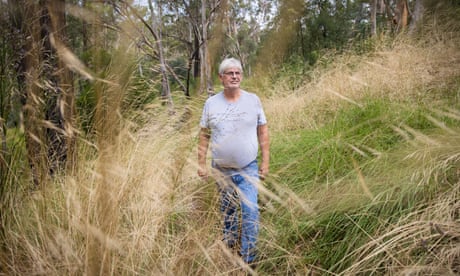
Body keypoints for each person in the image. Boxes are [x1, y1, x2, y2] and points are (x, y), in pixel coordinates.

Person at [197, 57, 270, 266]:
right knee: (228, 212)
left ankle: (248, 260)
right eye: (230, 73)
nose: (235, 76)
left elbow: (263, 131)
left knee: (250, 211)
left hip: (248, 168)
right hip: (221, 170)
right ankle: (229, 249)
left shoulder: (253, 100)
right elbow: (204, 135)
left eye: (238, 73)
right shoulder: (211, 104)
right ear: (221, 77)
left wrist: (265, 162)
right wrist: (201, 164)